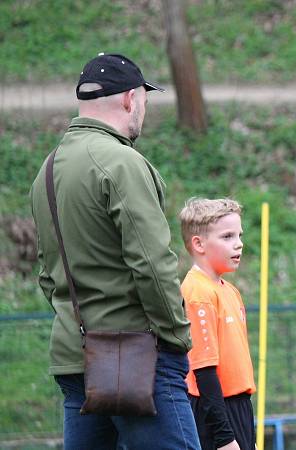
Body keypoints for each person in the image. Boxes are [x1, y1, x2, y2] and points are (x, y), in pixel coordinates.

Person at [30, 53, 201, 449]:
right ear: (130, 99)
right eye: (144, 98)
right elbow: (153, 265)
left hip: (75, 359)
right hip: (137, 359)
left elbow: (46, 271)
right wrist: (176, 337)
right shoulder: (122, 162)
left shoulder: (48, 171)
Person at [179, 198, 256, 450]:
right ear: (199, 244)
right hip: (214, 415)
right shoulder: (198, 292)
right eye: (227, 237)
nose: (239, 243)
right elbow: (204, 371)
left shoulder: (230, 291)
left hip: (239, 409)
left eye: (239, 235)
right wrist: (224, 438)